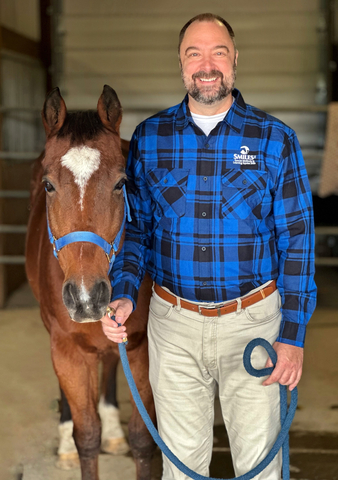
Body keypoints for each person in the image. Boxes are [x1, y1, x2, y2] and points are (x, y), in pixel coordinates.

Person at [101, 13, 316, 480]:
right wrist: (122, 290)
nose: (207, 64)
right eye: (194, 53)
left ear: (235, 60)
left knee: (259, 464)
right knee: (183, 467)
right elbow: (137, 232)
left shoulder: (275, 139)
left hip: (254, 321)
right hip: (172, 325)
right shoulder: (150, 138)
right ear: (180, 65)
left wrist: (293, 335)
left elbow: (297, 240)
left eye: (218, 52)